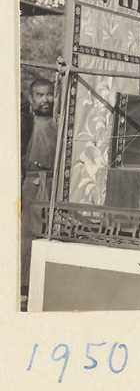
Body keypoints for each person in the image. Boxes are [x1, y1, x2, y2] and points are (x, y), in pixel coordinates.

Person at [21, 77, 58, 291]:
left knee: (52, 233)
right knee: (28, 234)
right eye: (40, 95)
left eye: (49, 94)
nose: (46, 99)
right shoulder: (27, 123)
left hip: (54, 185)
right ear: (31, 97)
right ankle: (25, 286)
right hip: (32, 186)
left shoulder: (58, 122)